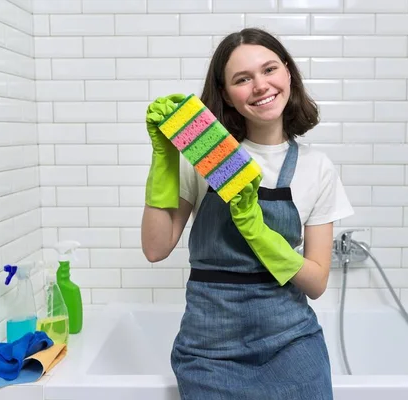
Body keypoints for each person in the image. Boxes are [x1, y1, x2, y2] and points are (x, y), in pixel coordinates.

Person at [141, 28, 354, 400]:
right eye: (242, 79)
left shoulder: (316, 168)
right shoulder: (208, 158)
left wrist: (257, 231)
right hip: (209, 352)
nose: (260, 85)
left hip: (291, 344)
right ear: (226, 93)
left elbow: (317, 283)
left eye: (269, 69)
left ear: (288, 73)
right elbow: (155, 249)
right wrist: (165, 159)